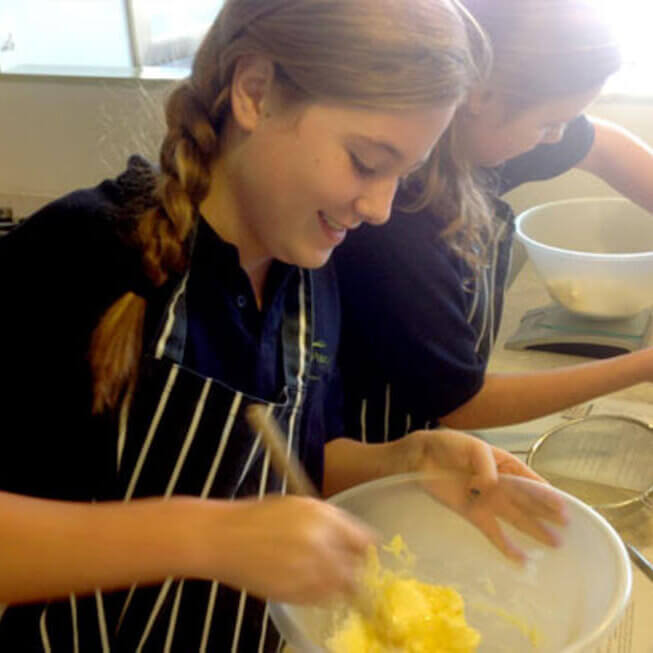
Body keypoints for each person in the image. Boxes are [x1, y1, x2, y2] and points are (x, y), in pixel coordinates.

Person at [0, 0, 567, 650]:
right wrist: (207, 536)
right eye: (364, 160)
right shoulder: (81, 256)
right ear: (255, 91)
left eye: (402, 174)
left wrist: (406, 459)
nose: (379, 208)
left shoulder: (310, 272)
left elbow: (284, 463)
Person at [333, 0, 653, 442]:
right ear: (479, 96)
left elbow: (604, 146)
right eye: (548, 124)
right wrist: (643, 366)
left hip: (439, 431)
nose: (556, 138)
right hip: (378, 444)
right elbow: (463, 404)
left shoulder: (479, 139)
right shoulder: (397, 223)